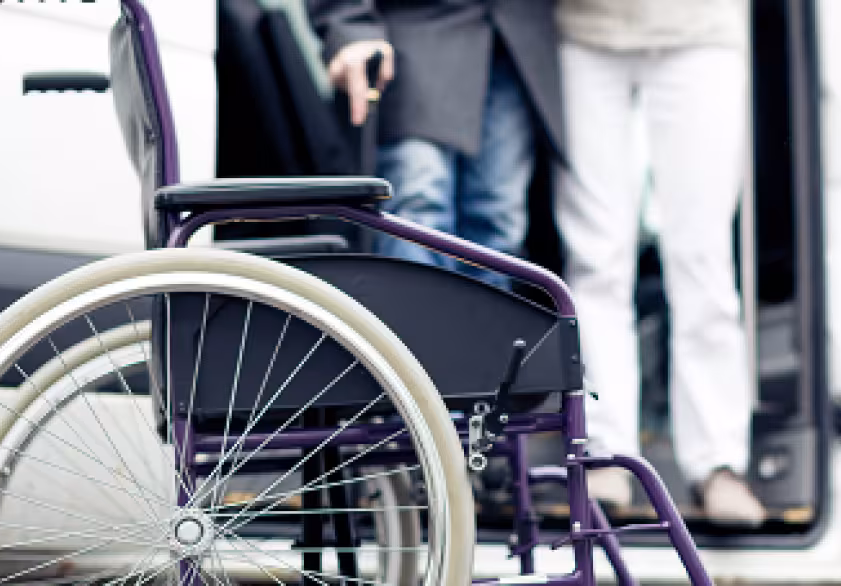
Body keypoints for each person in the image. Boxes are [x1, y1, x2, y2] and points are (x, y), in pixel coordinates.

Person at [552, 0, 765, 526]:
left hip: (701, 29)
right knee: (596, 257)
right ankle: (605, 451)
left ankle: (718, 462)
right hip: (583, 28)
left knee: (701, 255)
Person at [308, 0, 565, 290]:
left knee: (498, 221)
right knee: (419, 211)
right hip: (415, 32)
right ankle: (413, 333)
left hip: (517, 37)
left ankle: (482, 335)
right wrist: (348, 25)